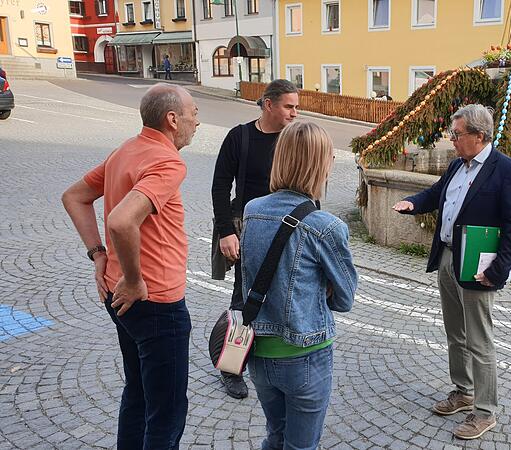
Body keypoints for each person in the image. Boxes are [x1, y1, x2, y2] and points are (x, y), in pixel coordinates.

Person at [61, 83, 199, 449]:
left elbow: (74, 196)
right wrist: (135, 279)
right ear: (172, 119)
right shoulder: (168, 161)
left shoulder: (127, 149)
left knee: (138, 393)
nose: (197, 121)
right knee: (167, 411)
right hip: (154, 302)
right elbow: (122, 221)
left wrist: (98, 254)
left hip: (120, 299)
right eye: (194, 112)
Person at [392, 104, 511, 440]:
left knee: (480, 340)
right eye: (452, 134)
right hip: (448, 258)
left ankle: (485, 411)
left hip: (478, 267)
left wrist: (498, 271)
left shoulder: (504, 170)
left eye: (457, 134)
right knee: (456, 333)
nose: (452, 139)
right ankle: (463, 391)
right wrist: (412, 202)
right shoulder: (457, 165)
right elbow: (436, 195)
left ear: (479, 136)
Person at [243, 121, 357, 450]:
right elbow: (345, 298)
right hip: (305, 353)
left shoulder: (253, 211)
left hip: (259, 353)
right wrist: (322, 289)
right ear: (321, 164)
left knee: (275, 436)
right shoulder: (326, 226)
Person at [210, 79, 299, 398]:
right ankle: (231, 368)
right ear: (269, 104)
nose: (294, 113)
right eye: (289, 106)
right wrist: (226, 232)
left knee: (286, 296)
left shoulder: (295, 139)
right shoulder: (240, 136)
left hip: (288, 229)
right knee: (243, 300)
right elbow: (220, 187)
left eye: (296, 107)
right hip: (247, 230)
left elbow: (309, 186)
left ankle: (276, 361)